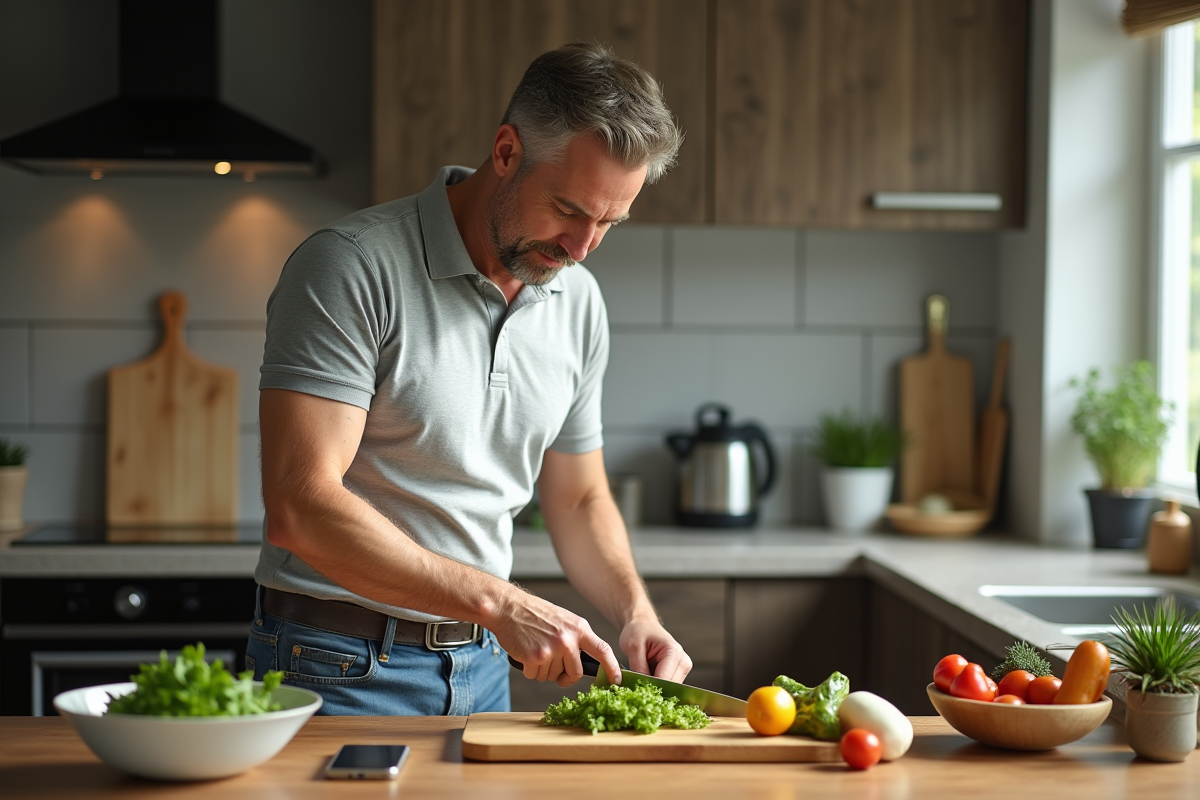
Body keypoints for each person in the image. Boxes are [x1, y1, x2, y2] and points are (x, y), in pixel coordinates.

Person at [245, 42, 692, 716]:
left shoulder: (578, 300)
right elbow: (300, 507)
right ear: (506, 151)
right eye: (569, 209)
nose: (582, 246)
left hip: (483, 668)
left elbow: (577, 499)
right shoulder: (350, 267)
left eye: (609, 222)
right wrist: (502, 604)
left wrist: (636, 613)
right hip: (335, 663)